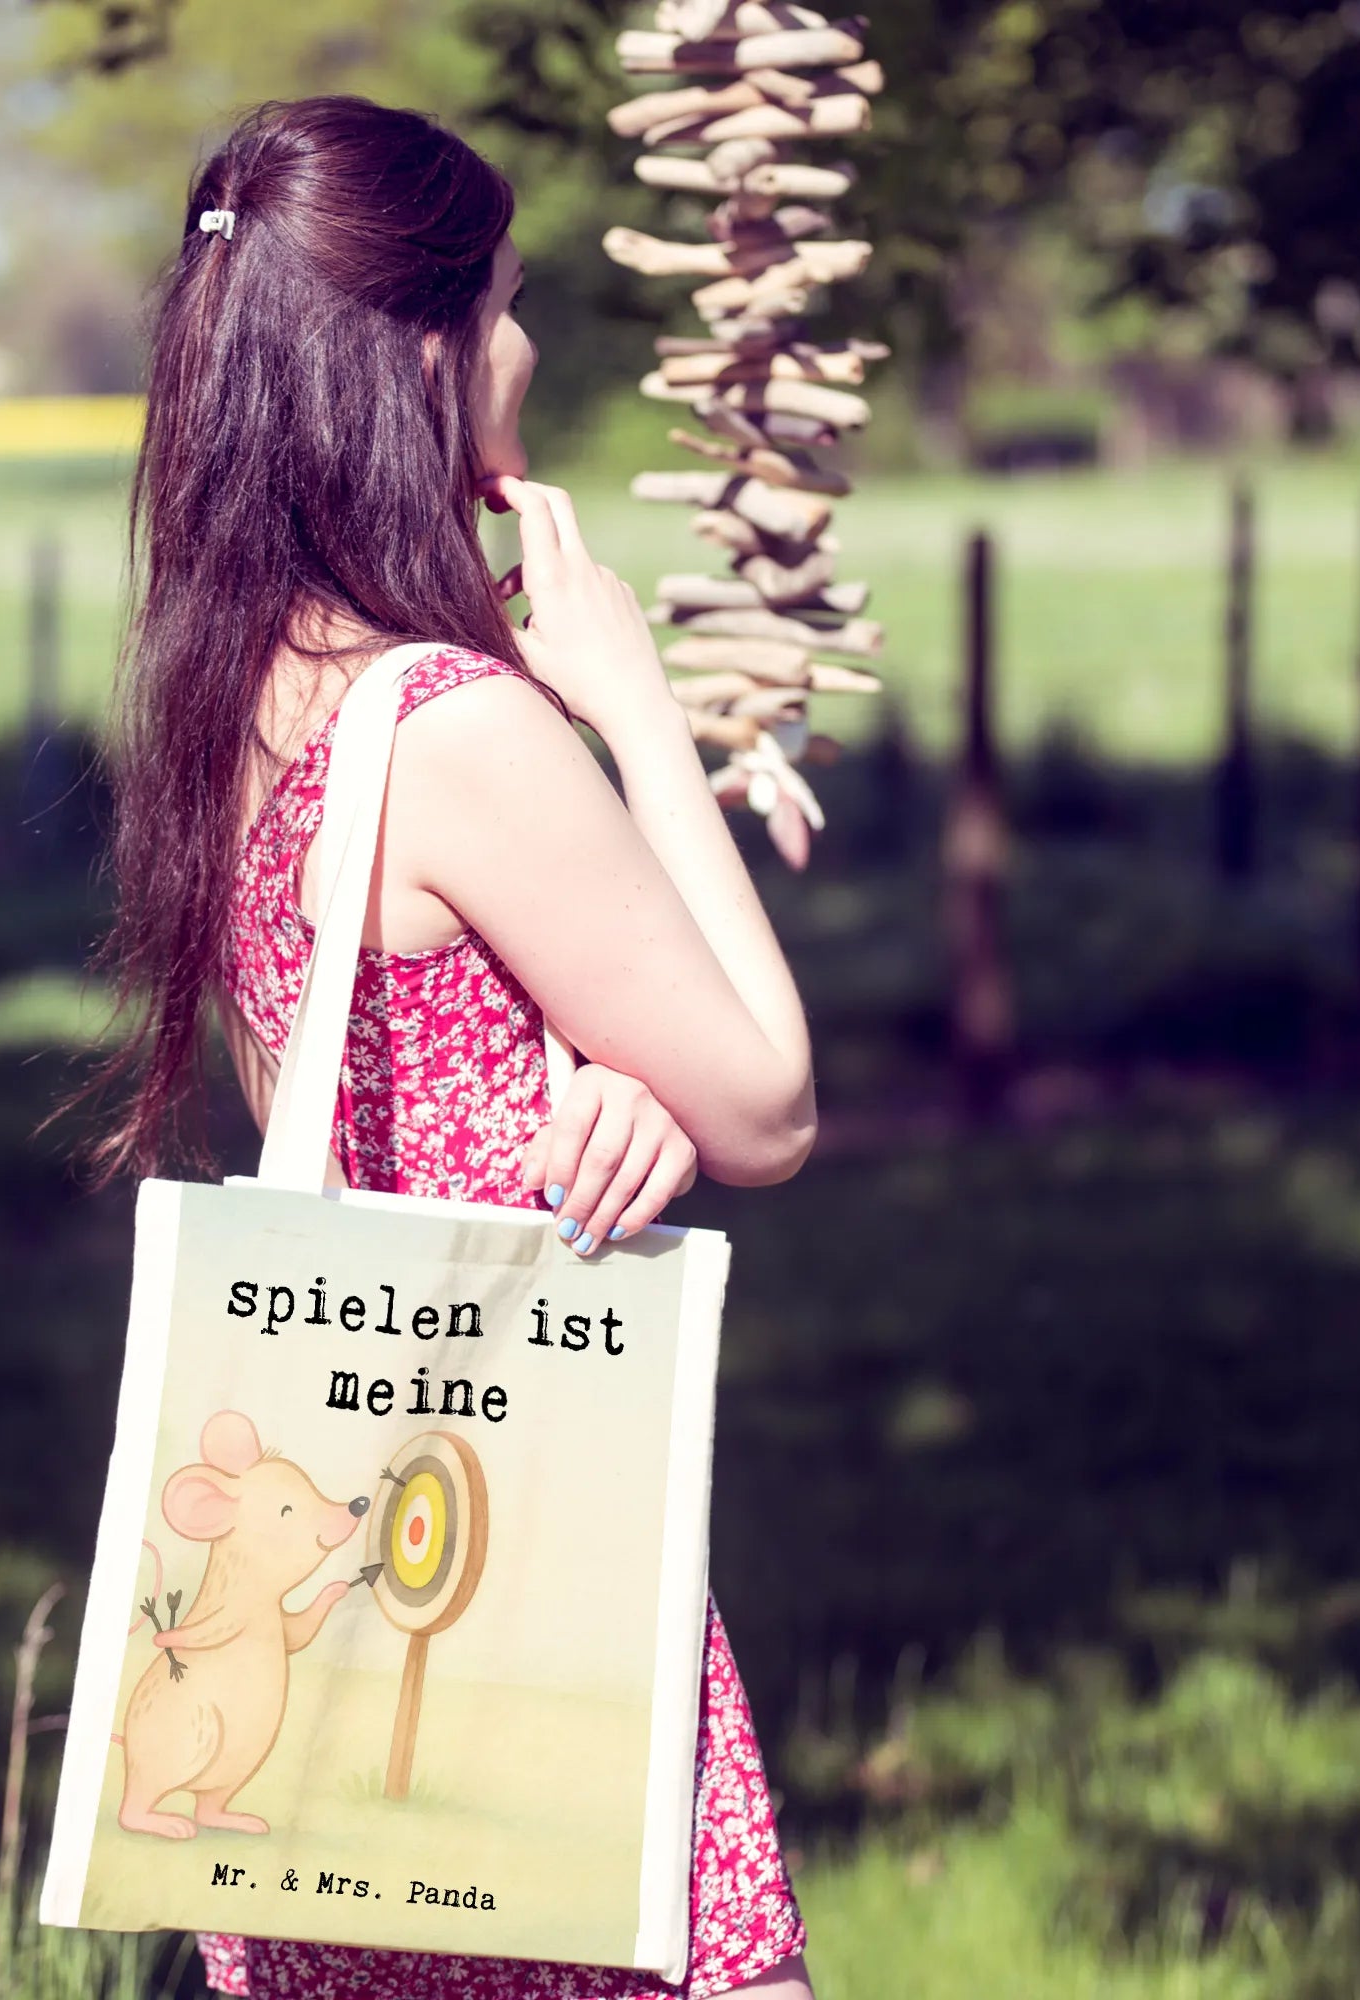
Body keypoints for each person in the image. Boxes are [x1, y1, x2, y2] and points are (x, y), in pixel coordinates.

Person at [78, 92, 820, 2000]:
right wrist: (637, 714)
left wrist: (600, 1074)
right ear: (421, 349)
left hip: (333, 1661)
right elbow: (768, 1101)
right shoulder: (460, 731)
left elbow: (356, 1081)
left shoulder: (236, 693)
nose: (527, 348)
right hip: (512, 1560)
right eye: (504, 303)